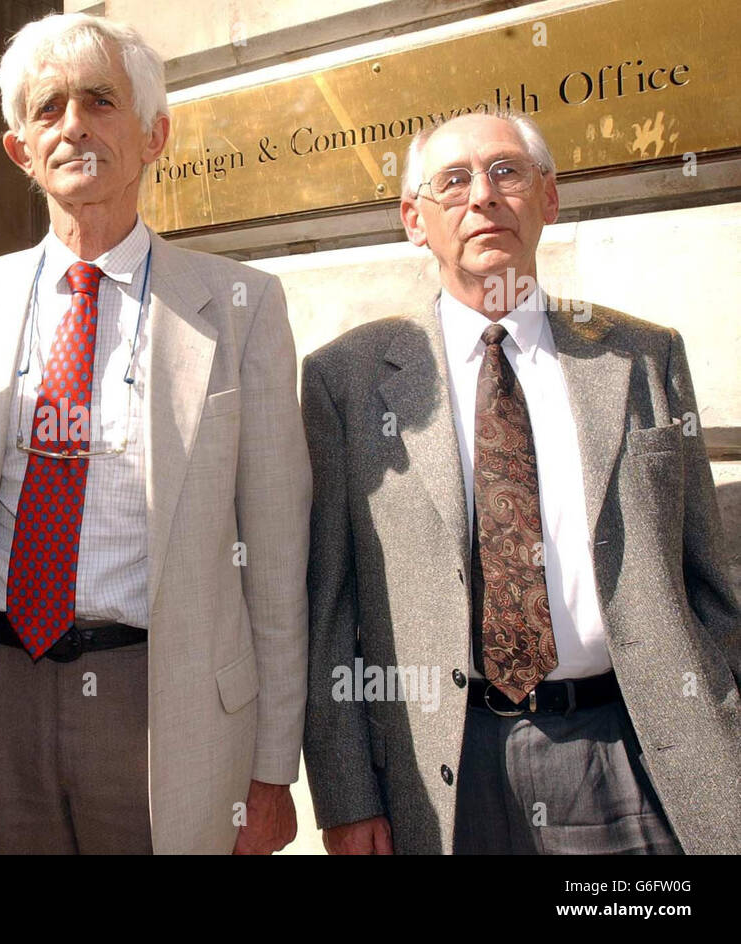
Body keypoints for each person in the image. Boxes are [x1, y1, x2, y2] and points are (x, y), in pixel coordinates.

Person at [0, 13, 309, 855]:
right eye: (47, 108)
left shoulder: (242, 307)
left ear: (154, 133)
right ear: (20, 148)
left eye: (100, 101)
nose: (74, 126)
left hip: (166, 705)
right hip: (0, 700)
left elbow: (275, 558)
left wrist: (273, 770)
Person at [301, 111, 741, 854]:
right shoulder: (346, 379)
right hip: (445, 774)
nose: (482, 196)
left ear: (549, 199)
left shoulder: (642, 356)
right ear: (415, 220)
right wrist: (345, 797)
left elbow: (707, 578)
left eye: (506, 171)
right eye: (453, 181)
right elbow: (331, 606)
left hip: (634, 757)